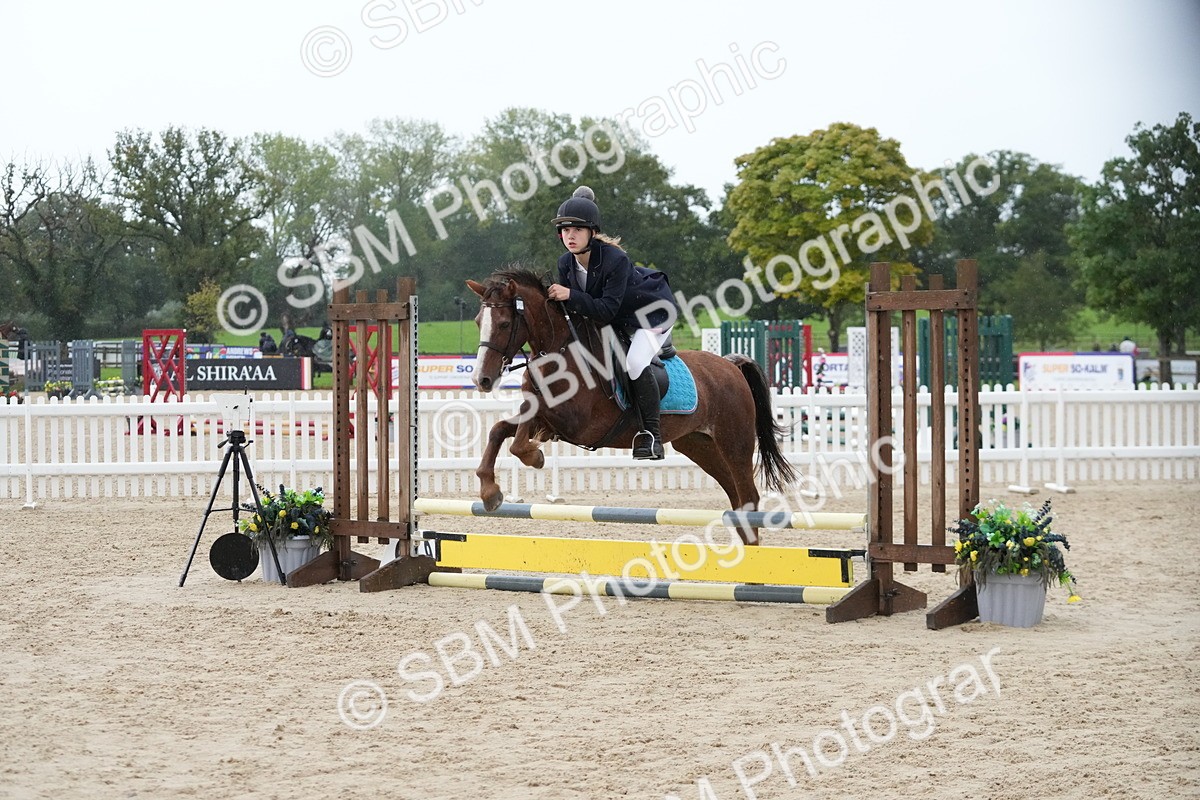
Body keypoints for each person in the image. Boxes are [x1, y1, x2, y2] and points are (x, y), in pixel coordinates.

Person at [546, 186, 677, 460]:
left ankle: (651, 435)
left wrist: (570, 294)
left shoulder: (615, 259)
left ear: (592, 232)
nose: (570, 235)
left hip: (651, 315)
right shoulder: (565, 263)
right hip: (619, 317)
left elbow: (605, 310)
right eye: (565, 230)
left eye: (578, 229)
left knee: (635, 362)